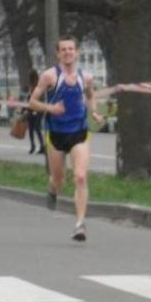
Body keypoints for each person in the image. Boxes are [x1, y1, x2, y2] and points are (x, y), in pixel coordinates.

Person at [29, 35, 103, 241]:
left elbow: (90, 96)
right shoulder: (49, 76)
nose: (68, 52)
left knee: (80, 176)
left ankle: (80, 225)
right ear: (58, 54)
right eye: (63, 49)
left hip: (79, 132)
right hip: (56, 134)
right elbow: (32, 102)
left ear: (77, 52)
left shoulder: (86, 77)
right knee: (59, 180)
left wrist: (94, 112)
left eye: (71, 49)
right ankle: (52, 190)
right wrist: (50, 108)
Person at [25, 69, 45, 154]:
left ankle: (41, 146)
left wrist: (35, 110)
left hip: (37, 111)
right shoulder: (31, 87)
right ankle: (33, 145)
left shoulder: (38, 86)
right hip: (31, 110)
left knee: (37, 128)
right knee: (31, 128)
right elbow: (29, 99)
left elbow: (40, 99)